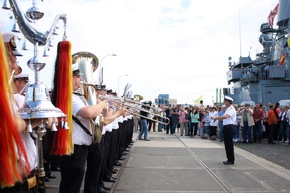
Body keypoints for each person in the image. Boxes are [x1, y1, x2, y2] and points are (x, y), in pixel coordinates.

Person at [59, 62, 107, 193]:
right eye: (78, 76)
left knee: (73, 183)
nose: (81, 80)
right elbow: (89, 113)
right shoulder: (69, 96)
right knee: (71, 185)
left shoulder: (76, 96)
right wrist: (102, 104)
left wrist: (96, 102)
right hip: (74, 147)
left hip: (79, 147)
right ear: (70, 78)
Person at [212, 96, 236, 165]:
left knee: (229, 144)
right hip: (226, 127)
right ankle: (229, 159)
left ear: (228, 102)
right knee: (227, 144)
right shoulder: (228, 109)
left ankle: (231, 160)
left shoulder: (231, 109)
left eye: (225, 101)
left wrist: (216, 117)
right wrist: (216, 118)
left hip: (229, 127)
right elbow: (223, 118)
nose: (224, 102)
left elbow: (225, 117)